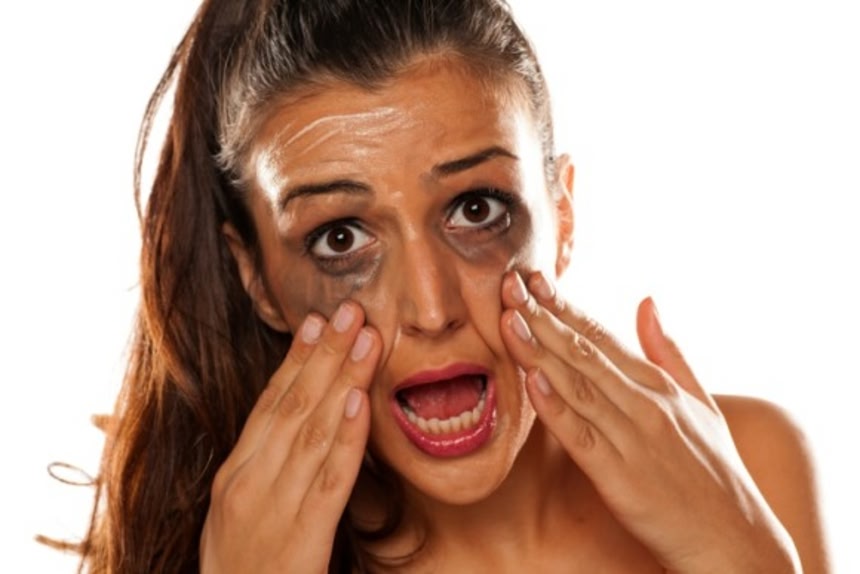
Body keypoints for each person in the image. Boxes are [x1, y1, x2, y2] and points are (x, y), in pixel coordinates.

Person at [73, 0, 829, 571]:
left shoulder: (751, 467)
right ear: (259, 281)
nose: (431, 309)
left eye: (475, 209)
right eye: (341, 239)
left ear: (562, 214)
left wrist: (746, 558)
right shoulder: (235, 550)